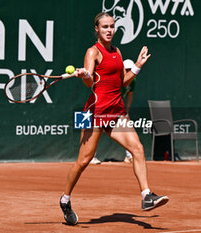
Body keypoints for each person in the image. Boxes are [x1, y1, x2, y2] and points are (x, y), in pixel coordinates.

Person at [59, 12, 169, 225]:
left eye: (111, 26)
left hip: (115, 110)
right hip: (94, 112)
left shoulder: (117, 52)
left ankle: (146, 196)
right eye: (105, 27)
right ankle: (65, 199)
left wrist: (137, 66)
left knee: (137, 148)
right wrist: (86, 75)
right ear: (97, 30)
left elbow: (121, 83)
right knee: (84, 160)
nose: (109, 30)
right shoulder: (92, 52)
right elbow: (90, 83)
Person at [122, 59, 137, 163]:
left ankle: (128, 156)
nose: (128, 72)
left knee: (127, 127)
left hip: (118, 107)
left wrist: (126, 110)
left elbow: (130, 94)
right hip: (106, 106)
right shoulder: (117, 79)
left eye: (130, 70)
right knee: (98, 130)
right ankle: (91, 156)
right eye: (126, 70)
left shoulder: (133, 80)